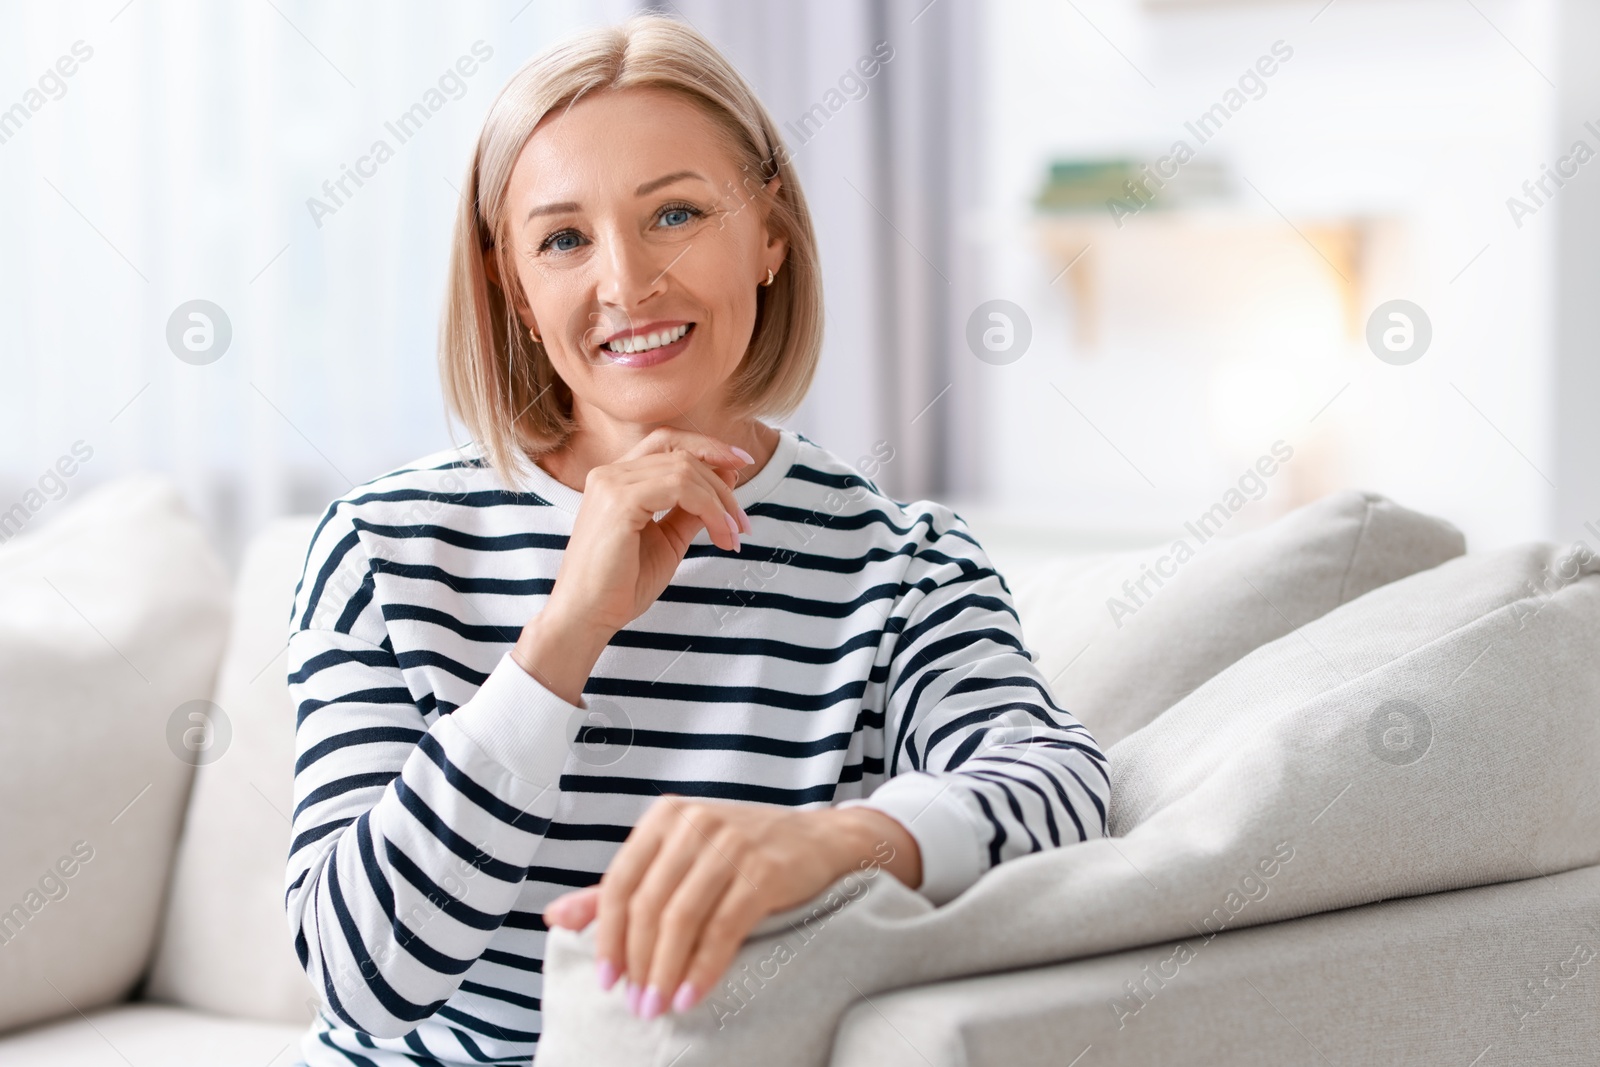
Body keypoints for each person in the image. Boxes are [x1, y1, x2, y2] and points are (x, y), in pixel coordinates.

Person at [284, 13, 1109, 1065]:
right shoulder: (383, 548)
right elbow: (362, 979)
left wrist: (826, 842)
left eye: (674, 212)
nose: (627, 283)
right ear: (515, 292)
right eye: (563, 238)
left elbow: (1058, 782)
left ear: (769, 232)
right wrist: (563, 636)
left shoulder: (900, 565)